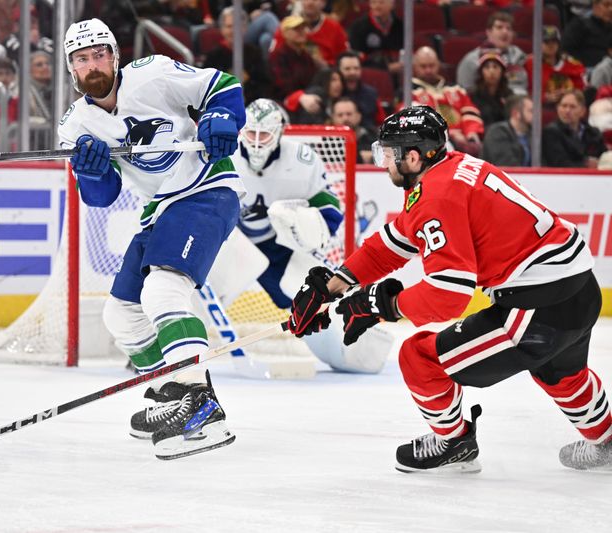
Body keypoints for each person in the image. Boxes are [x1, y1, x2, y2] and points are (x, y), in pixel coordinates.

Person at [287, 105, 612, 473]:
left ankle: (454, 441)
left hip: (537, 308)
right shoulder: (448, 167)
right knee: (562, 374)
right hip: (579, 290)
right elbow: (392, 243)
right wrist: (333, 286)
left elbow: (448, 296)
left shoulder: (436, 196)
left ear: (412, 156)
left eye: (388, 153)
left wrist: (383, 305)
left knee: (419, 357)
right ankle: (608, 442)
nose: (384, 162)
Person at [57, 19, 245, 460]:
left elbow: (222, 84)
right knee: (120, 313)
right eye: (82, 59)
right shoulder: (76, 126)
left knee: (163, 288)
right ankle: (170, 394)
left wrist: (218, 116)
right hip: (158, 208)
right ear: (72, 69)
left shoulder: (154, 73)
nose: (93, 64)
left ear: (115, 55)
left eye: (100, 53)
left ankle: (199, 402)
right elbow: (101, 197)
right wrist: (91, 169)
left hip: (206, 189)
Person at [225, 98, 391, 373]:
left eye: (263, 134)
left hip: (280, 245)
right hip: (232, 242)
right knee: (194, 284)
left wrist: (304, 228)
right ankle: (167, 347)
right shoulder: (225, 155)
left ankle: (353, 350)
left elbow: (329, 211)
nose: (255, 142)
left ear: (278, 132)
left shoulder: (302, 159)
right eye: (251, 133)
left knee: (304, 302)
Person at [409, 46, 484, 156]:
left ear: (438, 65)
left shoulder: (456, 89)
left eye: (432, 65)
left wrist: (471, 133)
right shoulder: (408, 92)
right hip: (433, 147)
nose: (428, 70)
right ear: (415, 67)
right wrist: (451, 135)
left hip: (464, 141)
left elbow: (470, 112)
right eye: (423, 66)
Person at [456, 11, 528, 96]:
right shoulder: (471, 61)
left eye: (508, 28)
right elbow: (464, 94)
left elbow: (523, 86)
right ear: (488, 32)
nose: (505, 32)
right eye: (499, 27)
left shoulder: (519, 57)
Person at [524, 26, 585, 107]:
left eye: (554, 41)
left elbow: (581, 91)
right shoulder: (529, 64)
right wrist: (544, 98)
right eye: (546, 42)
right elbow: (525, 92)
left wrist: (569, 94)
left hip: (569, 107)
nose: (551, 45)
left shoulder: (572, 64)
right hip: (540, 108)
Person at [542, 90, 605, 168]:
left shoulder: (593, 133)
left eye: (572, 107)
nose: (567, 111)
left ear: (583, 111)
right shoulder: (551, 132)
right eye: (564, 106)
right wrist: (585, 165)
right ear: (557, 108)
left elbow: (603, 157)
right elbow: (559, 163)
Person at [269, 15, 325, 103]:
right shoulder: (278, 55)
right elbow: (283, 86)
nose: (301, 32)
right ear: (285, 33)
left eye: (303, 28)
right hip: (284, 101)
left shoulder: (306, 56)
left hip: (307, 97)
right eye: (296, 29)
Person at [348, 0, 403, 76]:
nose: (377, 6)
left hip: (398, 75)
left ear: (392, 4)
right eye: (373, 2)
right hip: (368, 75)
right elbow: (356, 58)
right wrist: (385, 68)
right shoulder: (358, 27)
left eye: (381, 2)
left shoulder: (400, 26)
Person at [480, 94, 533, 166]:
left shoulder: (532, 135)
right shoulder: (497, 132)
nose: (536, 114)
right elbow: (507, 165)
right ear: (516, 113)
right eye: (531, 111)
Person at [562, 0, 612, 70]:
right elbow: (566, 49)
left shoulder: (610, 28)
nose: (610, 9)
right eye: (606, 5)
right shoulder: (580, 24)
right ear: (595, 6)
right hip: (586, 70)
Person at [469, 50, 513, 127]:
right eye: (487, 67)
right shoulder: (472, 94)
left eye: (495, 67)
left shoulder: (509, 95)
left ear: (502, 71)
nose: (491, 71)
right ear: (481, 72)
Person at [330, 96, 377, 164]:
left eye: (349, 114)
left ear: (358, 116)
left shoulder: (373, 137)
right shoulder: (326, 142)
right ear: (333, 118)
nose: (345, 118)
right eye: (340, 115)